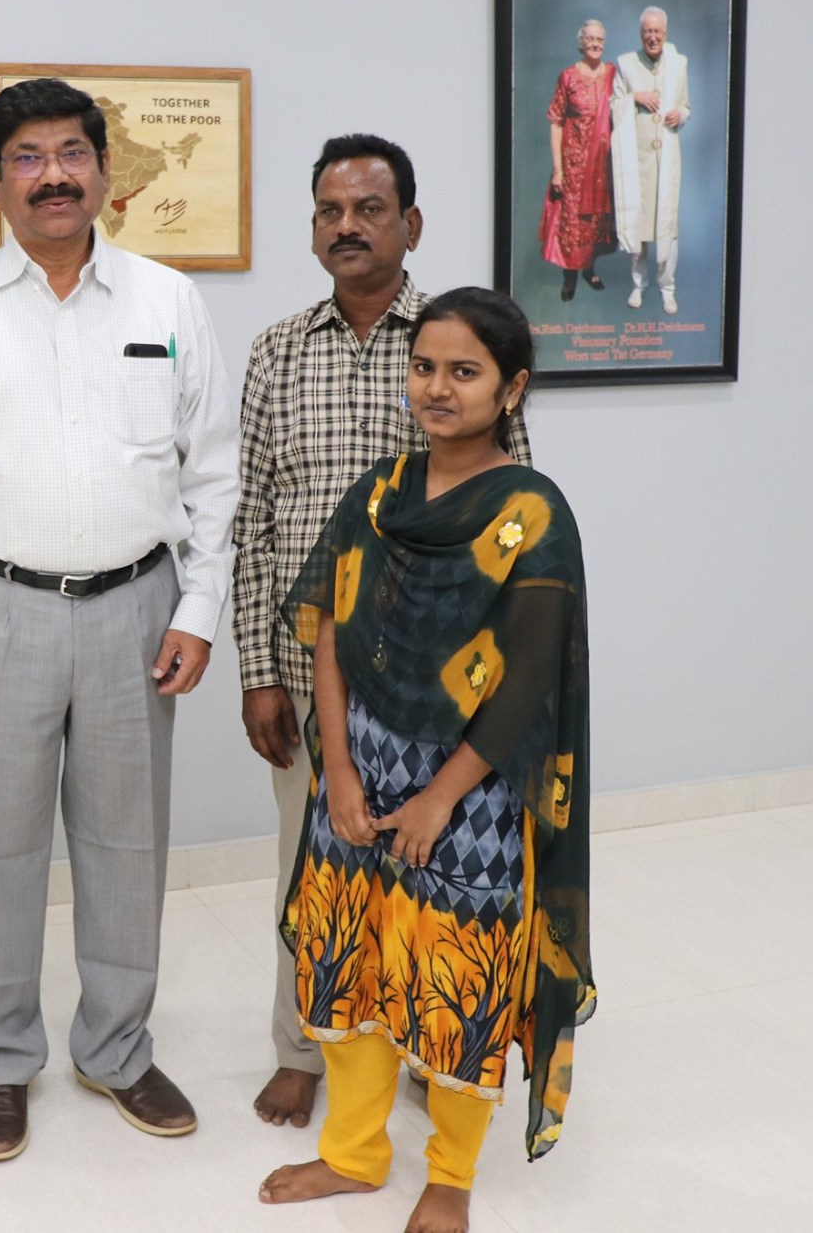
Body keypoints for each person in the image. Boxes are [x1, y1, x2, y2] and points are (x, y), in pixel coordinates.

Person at [0, 77, 239, 1163]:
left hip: (139, 609)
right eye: (27, 158)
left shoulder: (168, 302)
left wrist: (198, 608)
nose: (53, 176)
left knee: (127, 845)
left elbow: (213, 472)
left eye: (72, 153)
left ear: (105, 171)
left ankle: (116, 1047)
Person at [258, 287, 592, 1233]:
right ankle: (354, 1152)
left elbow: (526, 681)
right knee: (347, 959)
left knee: (457, 980)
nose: (437, 388)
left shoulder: (531, 512)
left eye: (464, 372)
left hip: (470, 795)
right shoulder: (381, 491)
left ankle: (450, 1174)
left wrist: (442, 798)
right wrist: (338, 770)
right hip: (358, 777)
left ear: (511, 388)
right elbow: (330, 629)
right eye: (424, 367)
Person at [234, 135, 532, 1131]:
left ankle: (417, 1039)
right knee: (311, 866)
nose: (346, 226)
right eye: (329, 210)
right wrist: (257, 668)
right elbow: (252, 520)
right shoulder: (277, 349)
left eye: (368, 209)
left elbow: (509, 513)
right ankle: (302, 1049)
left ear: (411, 223)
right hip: (307, 666)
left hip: (436, 684)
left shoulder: (454, 340)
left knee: (424, 866)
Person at [611, 6, 692, 314]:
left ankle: (667, 288)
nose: (652, 37)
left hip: (667, 161)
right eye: (647, 31)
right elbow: (613, 104)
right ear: (641, 34)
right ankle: (638, 284)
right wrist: (635, 98)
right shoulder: (626, 64)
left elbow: (686, 106)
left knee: (666, 228)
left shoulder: (678, 64)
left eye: (657, 31)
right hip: (637, 160)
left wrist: (680, 114)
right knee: (638, 224)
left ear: (665, 34)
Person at [544, 21, 617, 301]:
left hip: (603, 166)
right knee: (573, 225)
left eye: (600, 39)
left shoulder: (613, 74)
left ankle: (589, 269)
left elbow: (626, 105)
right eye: (590, 39)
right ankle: (570, 276)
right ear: (581, 43)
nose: (595, 43)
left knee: (596, 223)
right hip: (574, 166)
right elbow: (555, 122)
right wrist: (558, 171)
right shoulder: (568, 77)